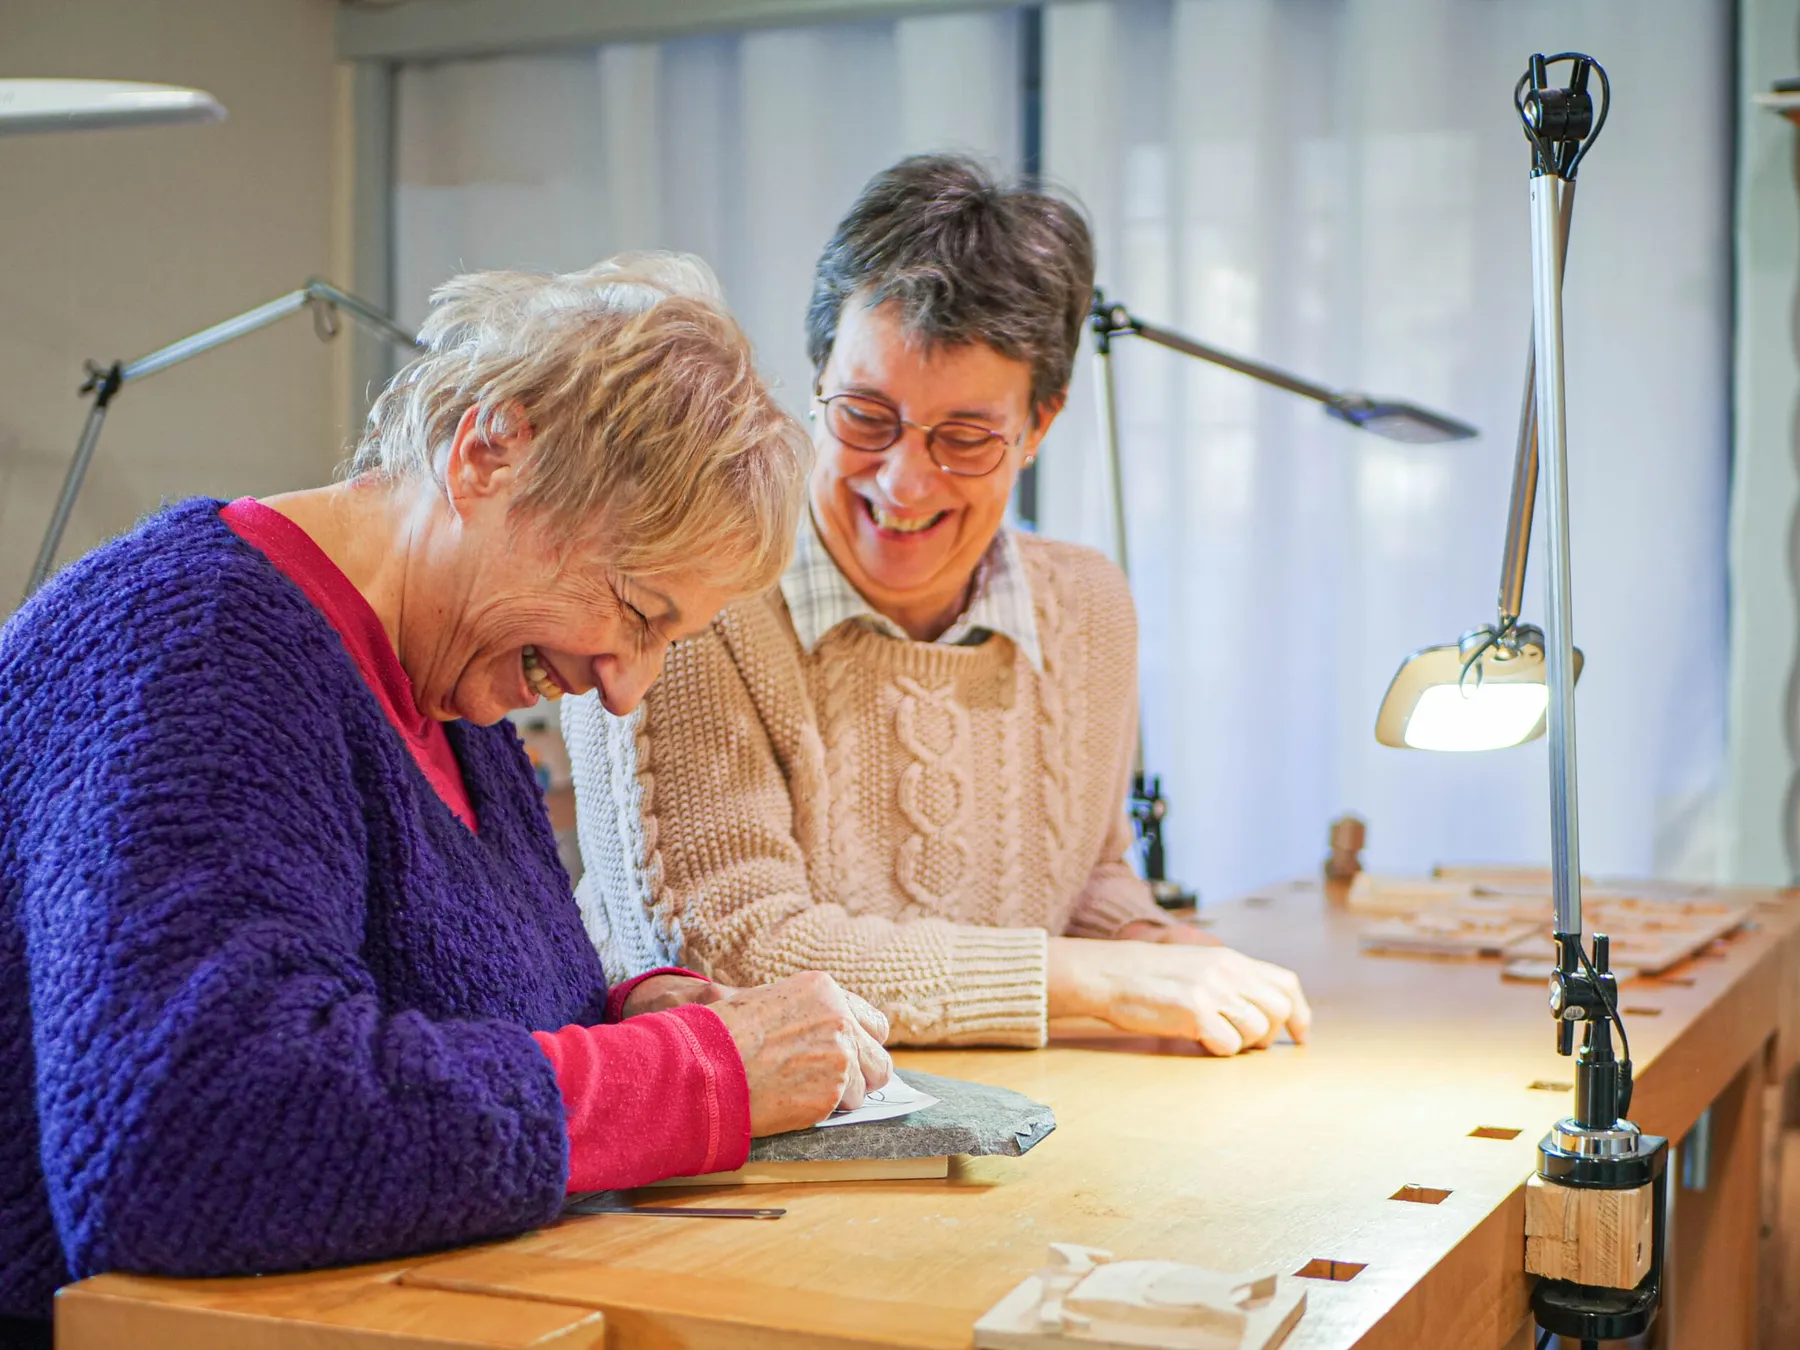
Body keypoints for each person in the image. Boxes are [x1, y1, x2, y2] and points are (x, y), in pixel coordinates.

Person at [0, 255, 891, 1338]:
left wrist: (628, 1013)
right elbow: (195, 1131)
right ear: (487, 455)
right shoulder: (195, 646)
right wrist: (691, 1075)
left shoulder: (452, 696)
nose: (626, 687)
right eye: (634, 611)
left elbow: (439, 1021)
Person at [564, 158, 1311, 1055]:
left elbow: (1087, 873)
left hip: (1023, 1111)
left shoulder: (1089, 606)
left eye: (965, 437)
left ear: (1039, 426)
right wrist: (1093, 980)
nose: (903, 482)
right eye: (866, 416)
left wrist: (1148, 942)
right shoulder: (687, 606)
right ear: (816, 376)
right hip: (744, 1135)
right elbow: (734, 949)